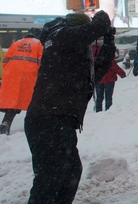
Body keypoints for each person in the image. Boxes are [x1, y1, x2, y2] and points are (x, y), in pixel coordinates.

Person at [24, 11, 115, 204]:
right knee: (50, 178)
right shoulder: (61, 36)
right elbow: (94, 28)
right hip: (47, 120)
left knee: (69, 172)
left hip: (59, 121)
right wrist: (101, 18)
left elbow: (96, 74)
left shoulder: (73, 55)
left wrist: (109, 41)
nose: (91, 42)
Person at [0, 27, 43, 135]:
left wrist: (12, 70)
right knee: (32, 101)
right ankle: (34, 125)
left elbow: (5, 60)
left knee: (14, 101)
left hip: (12, 74)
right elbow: (41, 62)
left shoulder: (16, 43)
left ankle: (6, 122)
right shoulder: (39, 44)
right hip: (29, 76)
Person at [92, 37, 126, 112]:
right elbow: (113, 65)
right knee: (108, 97)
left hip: (98, 78)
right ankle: (108, 111)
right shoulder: (108, 51)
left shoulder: (92, 52)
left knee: (99, 97)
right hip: (109, 78)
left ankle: (98, 111)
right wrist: (122, 74)